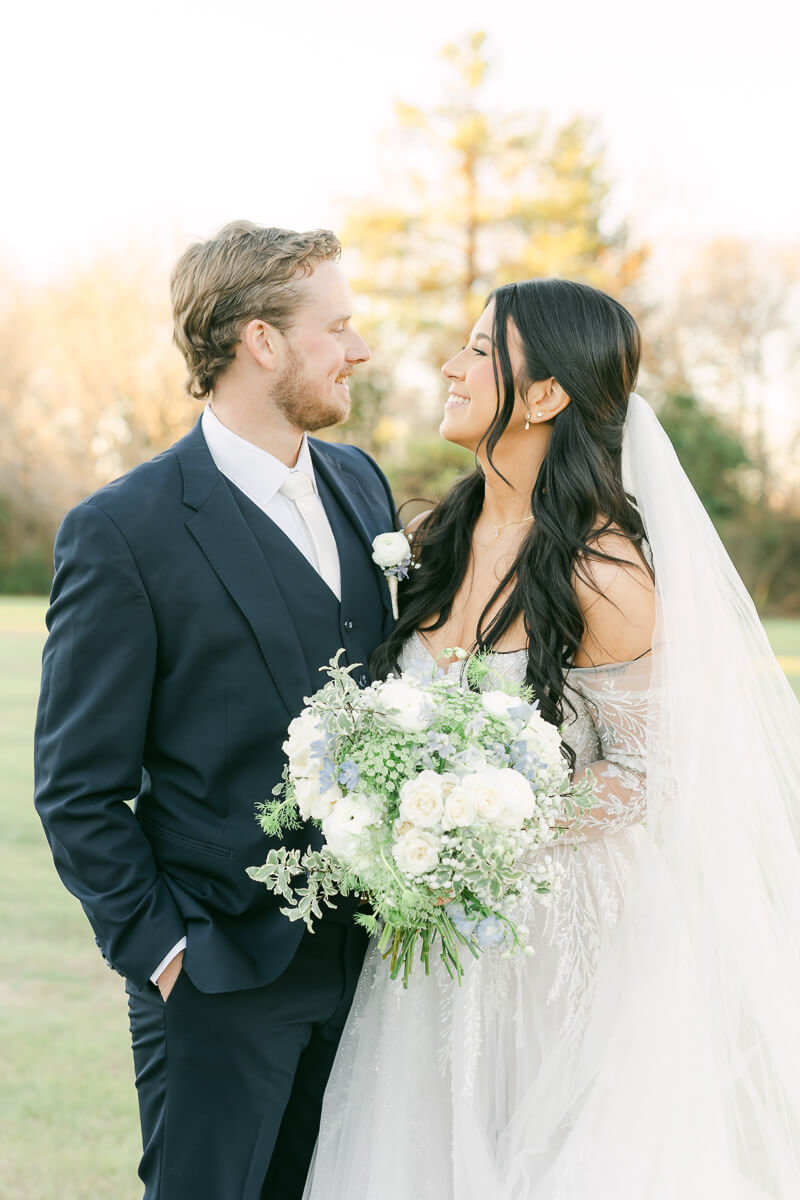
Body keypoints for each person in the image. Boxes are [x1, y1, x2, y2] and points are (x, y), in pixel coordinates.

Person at [303, 279, 800, 1199]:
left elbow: (651, 770)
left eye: (480, 351)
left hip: (562, 943)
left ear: (546, 395)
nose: (452, 366)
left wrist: (486, 835)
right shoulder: (431, 537)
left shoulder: (602, 570)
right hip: (431, 945)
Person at [33, 221, 397, 1200]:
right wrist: (163, 952)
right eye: (338, 327)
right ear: (261, 341)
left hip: (370, 973)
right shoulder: (125, 530)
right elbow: (75, 787)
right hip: (217, 977)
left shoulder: (362, 485)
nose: (358, 349)